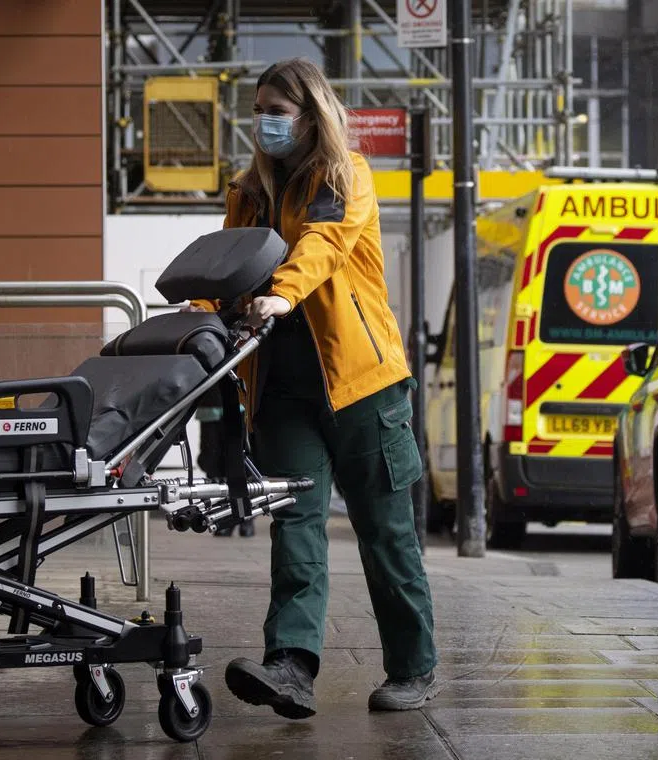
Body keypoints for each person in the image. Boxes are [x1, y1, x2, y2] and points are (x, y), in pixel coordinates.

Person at [186, 57, 438, 718]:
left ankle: (412, 668)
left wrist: (279, 297)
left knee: (385, 534)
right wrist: (197, 314)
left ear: (309, 113)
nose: (265, 121)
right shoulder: (248, 191)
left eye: (277, 109)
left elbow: (323, 244)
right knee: (295, 528)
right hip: (282, 390)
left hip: (363, 386)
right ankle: (290, 667)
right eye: (259, 109)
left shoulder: (343, 174)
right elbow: (226, 265)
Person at [194, 386, 254, 537]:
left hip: (237, 404)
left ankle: (245, 517)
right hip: (210, 404)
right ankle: (223, 517)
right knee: (212, 461)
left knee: (238, 461)